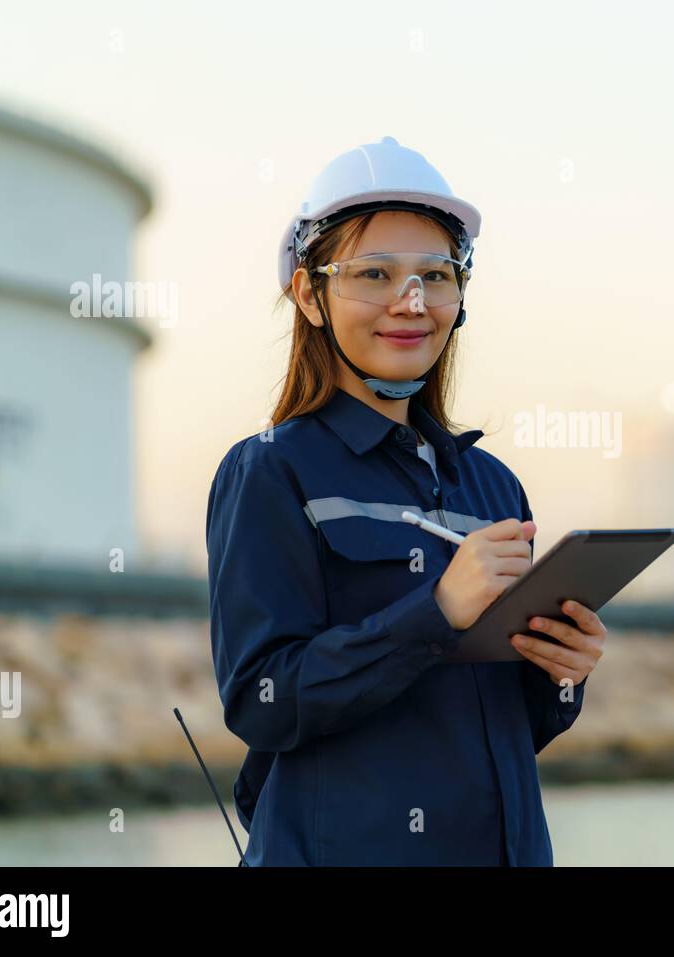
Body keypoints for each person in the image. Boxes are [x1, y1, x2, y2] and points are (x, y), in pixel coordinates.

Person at [205, 137, 605, 866]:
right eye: (375, 274)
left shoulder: (492, 485)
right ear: (309, 295)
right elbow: (261, 700)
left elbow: (500, 728)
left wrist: (562, 673)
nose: (410, 302)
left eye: (435, 275)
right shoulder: (270, 471)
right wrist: (436, 613)